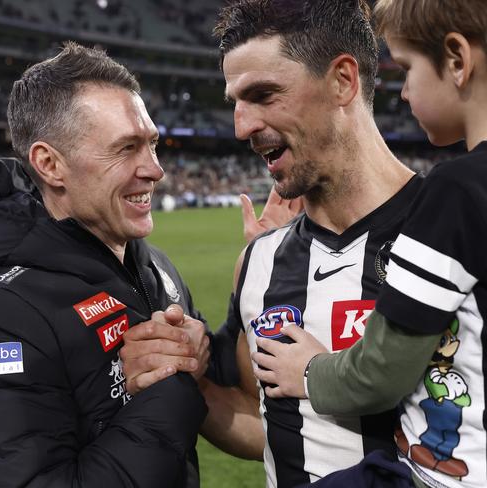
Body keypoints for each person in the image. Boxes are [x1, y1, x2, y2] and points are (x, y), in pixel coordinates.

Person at [252, 1, 487, 487]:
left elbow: (380, 373)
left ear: (457, 60)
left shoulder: (458, 193)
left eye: (408, 69)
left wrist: (309, 371)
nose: (403, 93)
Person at [121, 1, 422, 486]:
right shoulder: (262, 261)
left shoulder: (449, 233)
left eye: (263, 94)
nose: (242, 126)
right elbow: (261, 417)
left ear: (343, 80)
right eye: (235, 103)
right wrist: (179, 373)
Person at [0, 41, 213, 487]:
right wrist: (167, 388)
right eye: (126, 148)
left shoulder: (154, 266)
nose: (155, 169)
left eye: (152, 144)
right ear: (50, 164)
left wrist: (259, 270)